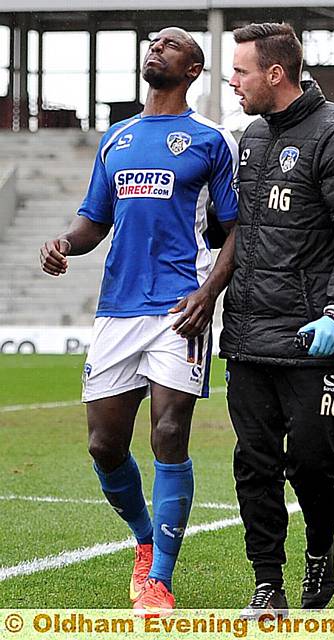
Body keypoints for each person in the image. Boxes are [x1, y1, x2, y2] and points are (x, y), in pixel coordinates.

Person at [40, 27, 238, 614]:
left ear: (194, 68)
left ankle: (160, 580)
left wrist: (209, 293)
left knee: (169, 433)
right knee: (104, 444)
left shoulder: (210, 141)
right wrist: (64, 244)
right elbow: (92, 221)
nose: (156, 46)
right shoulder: (117, 139)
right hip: (116, 310)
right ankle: (146, 541)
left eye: (171, 44)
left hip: (180, 309)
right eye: (152, 42)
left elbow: (237, 230)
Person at [220, 22, 334, 614]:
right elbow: (240, 234)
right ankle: (267, 583)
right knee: (254, 465)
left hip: (316, 340)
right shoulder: (252, 138)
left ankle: (321, 544)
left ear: (275, 73)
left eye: (240, 71)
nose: (231, 81)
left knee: (314, 463)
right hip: (248, 336)